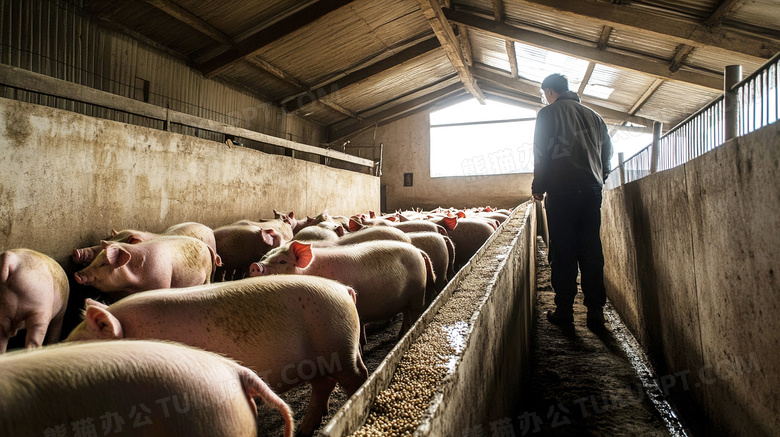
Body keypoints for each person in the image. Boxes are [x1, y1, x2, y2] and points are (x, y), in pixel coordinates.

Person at [531, 73, 613, 327]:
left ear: (549, 91)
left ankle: (564, 310)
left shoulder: (547, 114)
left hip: (561, 191)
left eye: (545, 93)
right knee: (590, 248)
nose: (545, 98)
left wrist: (539, 186)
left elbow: (541, 152)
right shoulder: (594, 116)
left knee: (563, 250)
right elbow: (606, 153)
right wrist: (599, 177)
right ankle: (595, 313)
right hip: (591, 191)